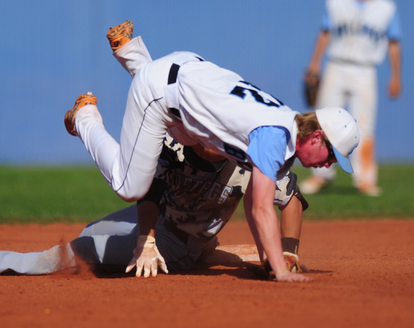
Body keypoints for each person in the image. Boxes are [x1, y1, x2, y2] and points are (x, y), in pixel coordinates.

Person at [0, 24, 311, 280]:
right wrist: (142, 240)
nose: (204, 130)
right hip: (155, 218)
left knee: (72, 252)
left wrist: (290, 253)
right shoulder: (175, 139)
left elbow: (291, 197)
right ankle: (132, 60)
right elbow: (149, 190)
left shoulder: (250, 155)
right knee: (97, 227)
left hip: (175, 247)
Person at [64, 21, 360, 282]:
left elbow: (256, 200)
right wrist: (281, 271)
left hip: (190, 70)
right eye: (332, 155)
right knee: (129, 185)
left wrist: (269, 257)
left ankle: (131, 53)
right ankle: (85, 118)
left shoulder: (285, 123)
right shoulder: (275, 137)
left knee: (191, 136)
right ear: (317, 137)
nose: (329, 164)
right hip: (163, 92)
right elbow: (260, 209)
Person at [300, 0, 402, 197]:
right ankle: (320, 175)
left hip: (366, 70)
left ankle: (365, 179)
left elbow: (394, 43)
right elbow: (325, 33)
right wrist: (314, 64)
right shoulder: (337, 1)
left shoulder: (387, 8)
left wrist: (396, 76)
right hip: (336, 65)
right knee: (323, 122)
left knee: (364, 125)